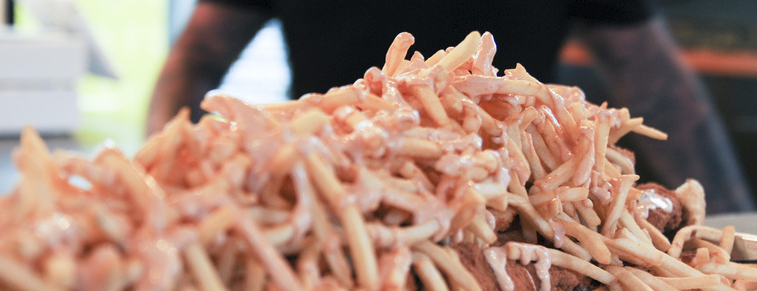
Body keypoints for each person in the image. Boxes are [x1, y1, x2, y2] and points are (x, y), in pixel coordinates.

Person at [147, 0, 755, 214]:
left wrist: (733, 229)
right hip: (332, 191)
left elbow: (656, 86)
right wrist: (164, 185)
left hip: (512, 208)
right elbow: (197, 58)